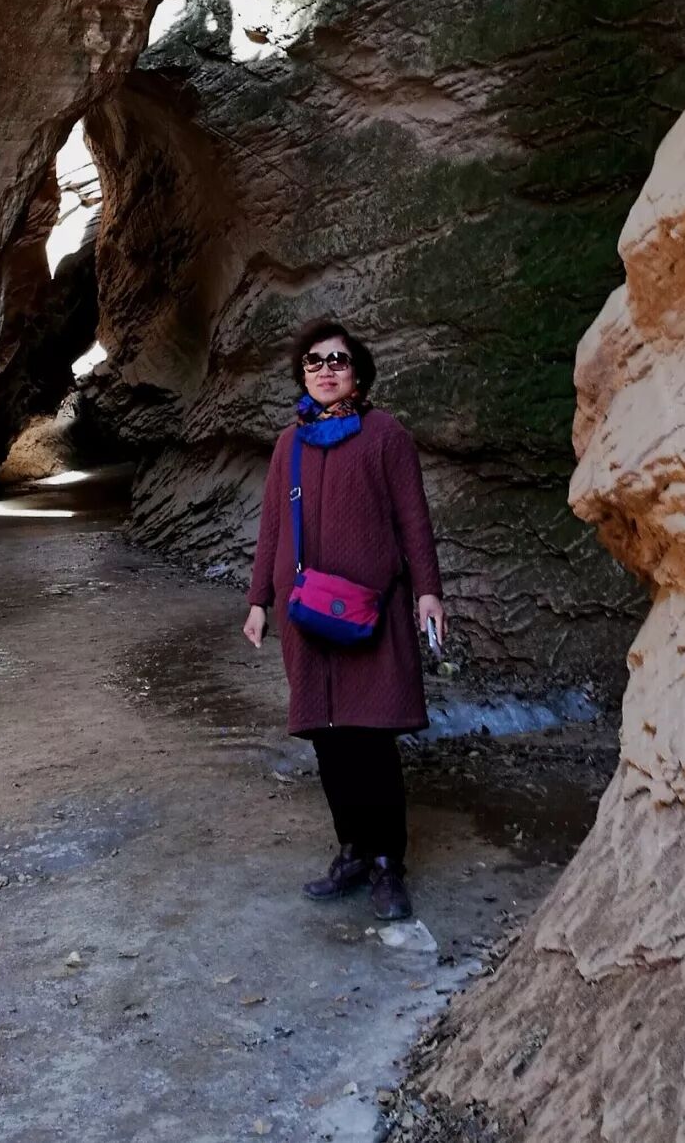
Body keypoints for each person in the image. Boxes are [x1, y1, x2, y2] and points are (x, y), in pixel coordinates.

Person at [244, 317, 446, 921]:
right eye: (314, 361)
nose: (326, 370)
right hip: (306, 612)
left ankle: (387, 862)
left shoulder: (386, 435)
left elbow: (414, 519)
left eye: (338, 359)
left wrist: (428, 592)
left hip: (371, 610)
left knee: (370, 738)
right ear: (302, 374)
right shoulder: (290, 444)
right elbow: (272, 526)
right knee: (328, 736)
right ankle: (352, 851)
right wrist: (258, 600)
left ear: (357, 372)